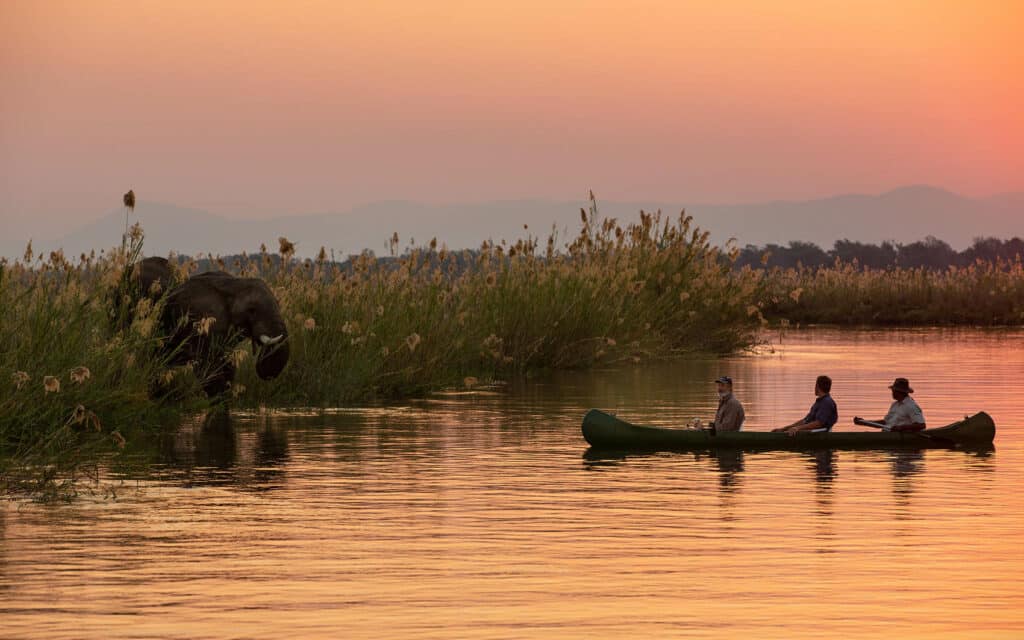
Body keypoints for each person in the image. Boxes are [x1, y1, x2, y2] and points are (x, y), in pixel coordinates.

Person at [772, 375, 838, 437]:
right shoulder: (819, 402)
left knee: (789, 434)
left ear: (817, 386)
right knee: (787, 432)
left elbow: (819, 423)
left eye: (815, 385)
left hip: (820, 432)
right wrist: (783, 429)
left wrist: (798, 428)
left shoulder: (827, 402)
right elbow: (805, 421)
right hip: (812, 431)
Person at [854, 377, 926, 432]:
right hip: (887, 433)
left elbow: (921, 425)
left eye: (894, 390)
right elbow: (885, 422)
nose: (892, 392)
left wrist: (901, 427)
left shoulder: (911, 406)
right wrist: (864, 422)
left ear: (900, 392)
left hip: (899, 436)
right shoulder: (895, 405)